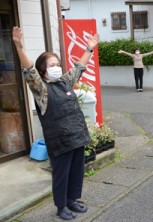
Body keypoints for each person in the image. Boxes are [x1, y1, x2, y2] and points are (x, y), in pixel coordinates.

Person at [12, 26, 100, 220]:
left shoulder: (63, 82)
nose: (57, 67)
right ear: (43, 70)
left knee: (77, 171)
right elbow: (29, 72)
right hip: (60, 142)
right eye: (52, 65)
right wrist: (19, 48)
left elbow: (78, 68)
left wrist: (89, 49)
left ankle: (72, 200)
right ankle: (61, 207)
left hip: (76, 136)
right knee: (61, 175)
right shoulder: (41, 90)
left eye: (58, 63)